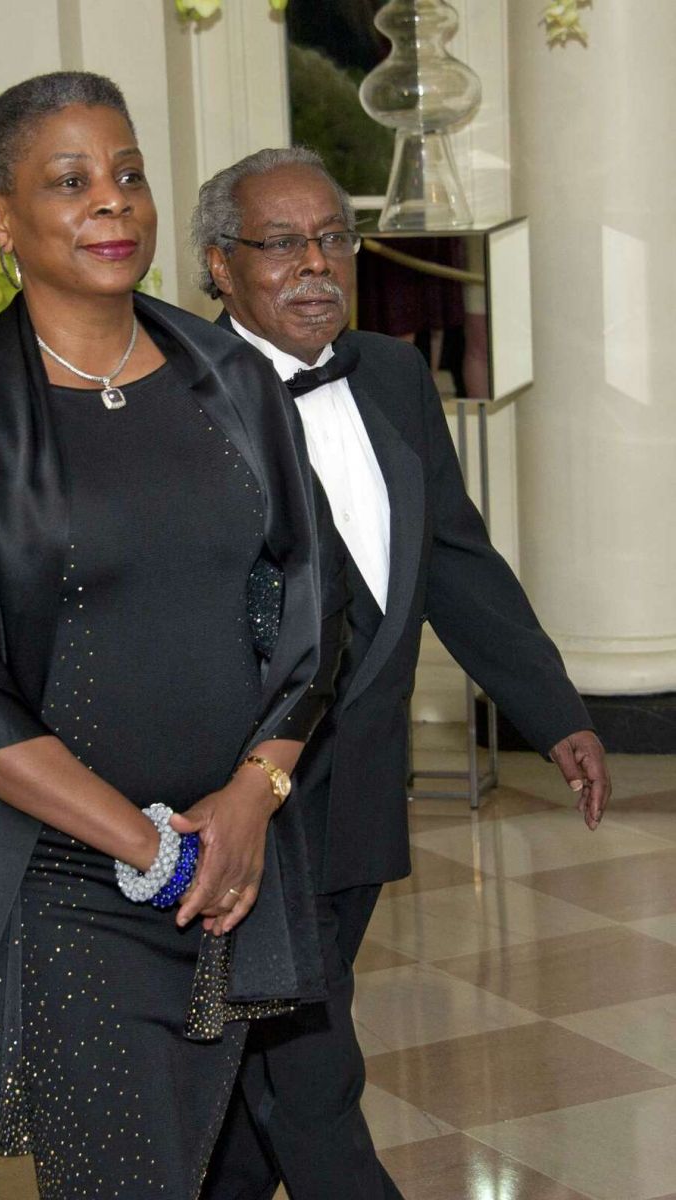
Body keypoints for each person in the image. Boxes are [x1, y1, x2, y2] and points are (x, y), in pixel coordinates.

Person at [0, 80, 346, 1200]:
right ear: (2, 218)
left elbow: (311, 605)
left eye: (126, 174)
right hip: (74, 875)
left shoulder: (229, 380)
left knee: (193, 1164)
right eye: (69, 182)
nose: (111, 203)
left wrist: (249, 803)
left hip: (234, 858)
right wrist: (152, 847)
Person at [192, 146, 612, 1200]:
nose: (315, 264)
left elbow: (455, 557)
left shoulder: (387, 372)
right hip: (245, 795)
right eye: (281, 245)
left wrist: (552, 710)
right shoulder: (175, 399)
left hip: (365, 784)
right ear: (218, 267)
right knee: (308, 1055)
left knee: (271, 1042)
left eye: (334, 237)